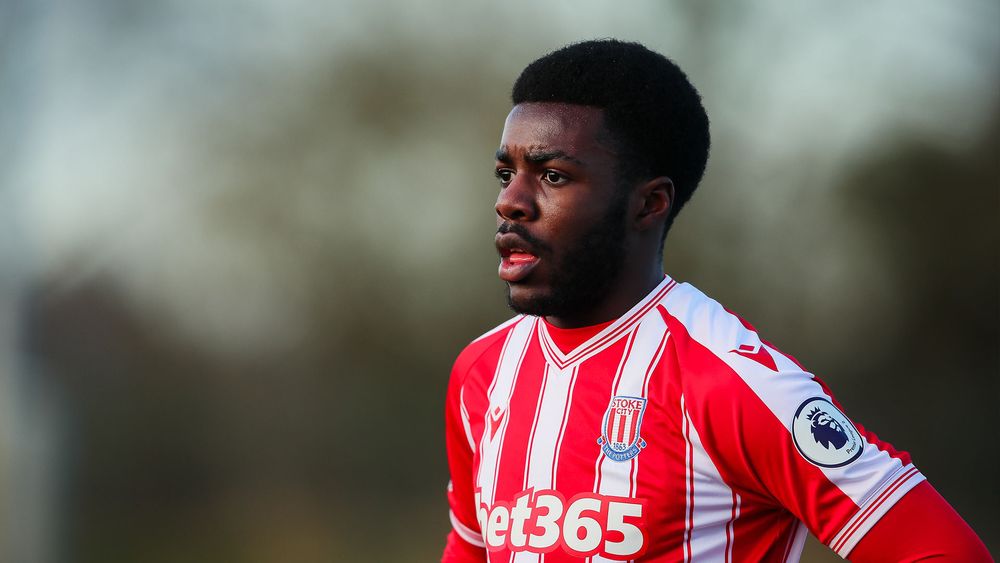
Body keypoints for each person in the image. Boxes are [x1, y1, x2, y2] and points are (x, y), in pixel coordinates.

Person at [441, 39, 990, 562]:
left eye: (553, 175)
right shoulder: (481, 373)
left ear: (650, 203)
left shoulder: (732, 383)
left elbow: (945, 550)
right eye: (506, 173)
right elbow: (470, 548)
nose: (510, 201)